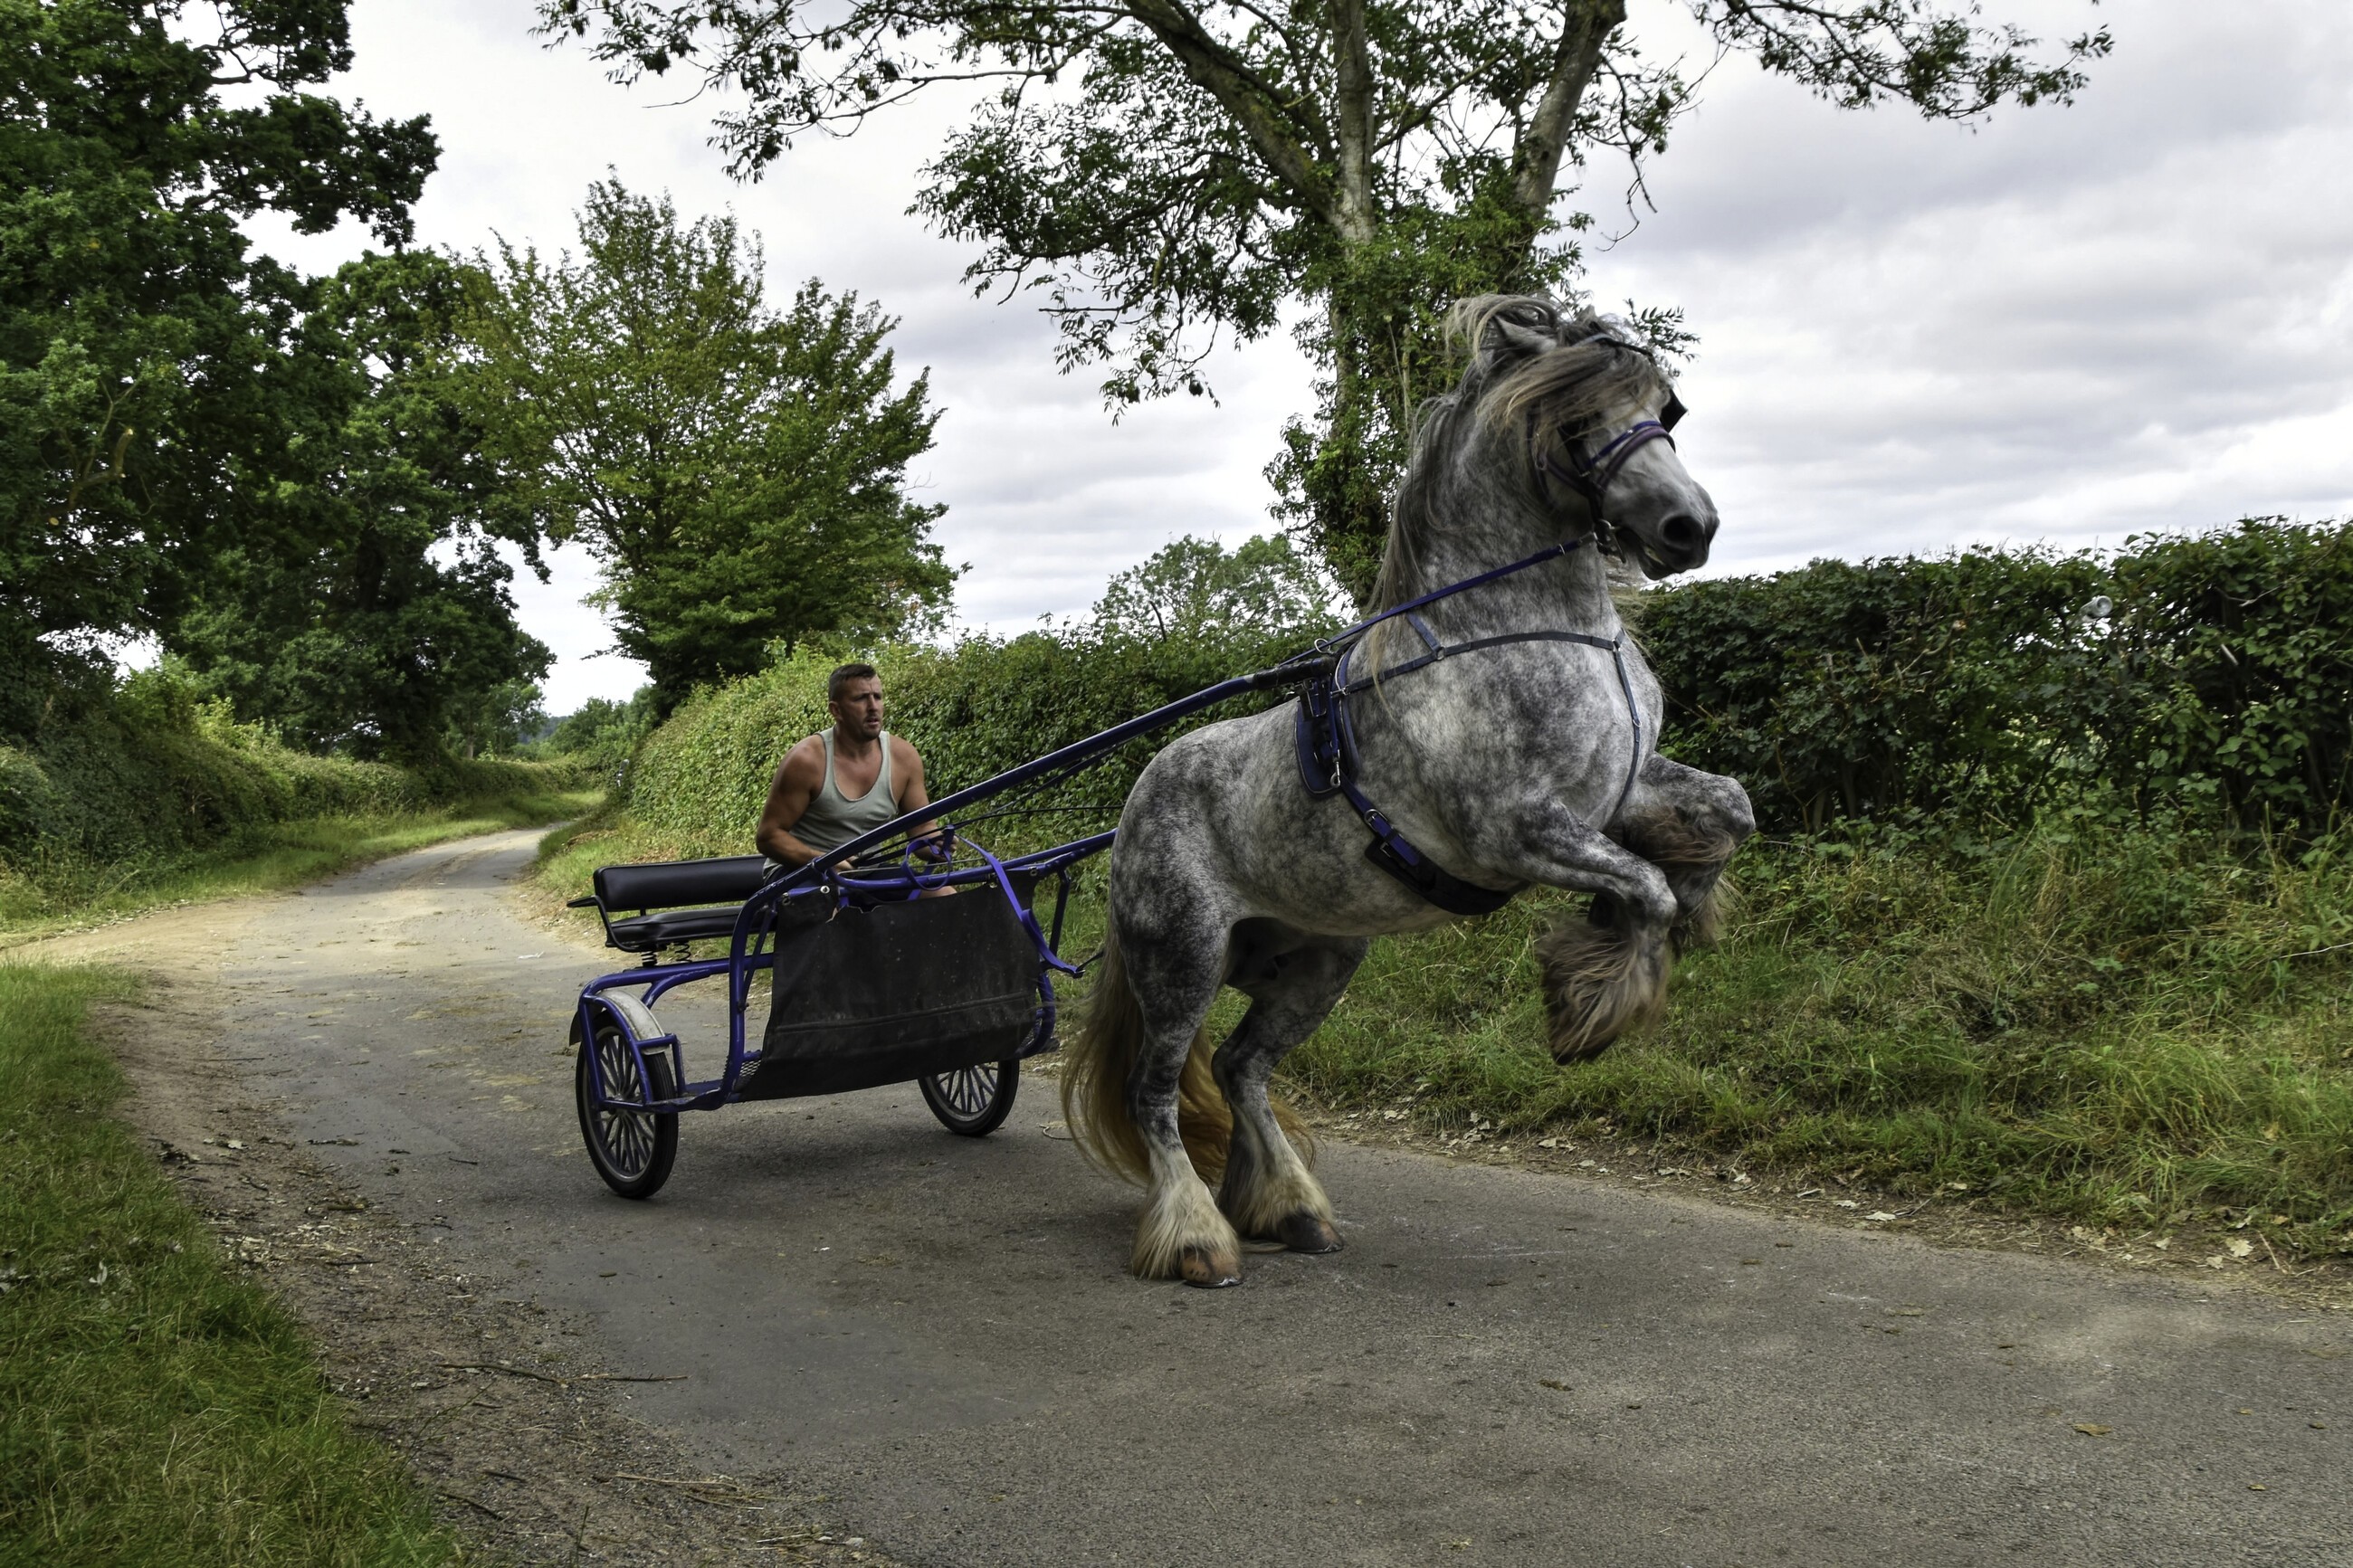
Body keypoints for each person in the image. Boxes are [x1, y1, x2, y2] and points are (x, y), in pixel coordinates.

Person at [756, 662, 939, 876]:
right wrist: (822, 861)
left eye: (877, 697)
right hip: (798, 872)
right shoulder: (806, 760)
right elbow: (768, 837)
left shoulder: (904, 757)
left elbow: (922, 829)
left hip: (865, 873)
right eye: (861, 698)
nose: (873, 707)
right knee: (834, 910)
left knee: (943, 895)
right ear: (836, 710)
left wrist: (936, 844)